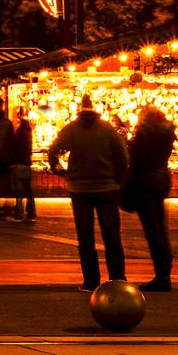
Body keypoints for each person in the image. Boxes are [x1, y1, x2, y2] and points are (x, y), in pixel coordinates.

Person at [47, 98, 130, 290]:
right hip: (106, 187)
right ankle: (117, 278)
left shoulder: (71, 129)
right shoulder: (107, 128)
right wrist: (118, 179)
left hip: (80, 189)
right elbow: (122, 155)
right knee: (112, 235)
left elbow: (53, 151)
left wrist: (62, 172)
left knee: (85, 237)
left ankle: (91, 281)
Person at [129, 103, 176, 290]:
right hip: (161, 178)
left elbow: (135, 160)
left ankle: (162, 274)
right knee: (160, 228)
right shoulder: (166, 135)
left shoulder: (144, 135)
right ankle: (165, 271)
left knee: (152, 230)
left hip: (146, 181)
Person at [9, 110, 38, 220]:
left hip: (19, 165)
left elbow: (14, 150)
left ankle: (19, 213)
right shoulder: (28, 137)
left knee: (19, 191)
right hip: (27, 165)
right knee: (29, 191)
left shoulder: (18, 137)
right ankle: (32, 213)